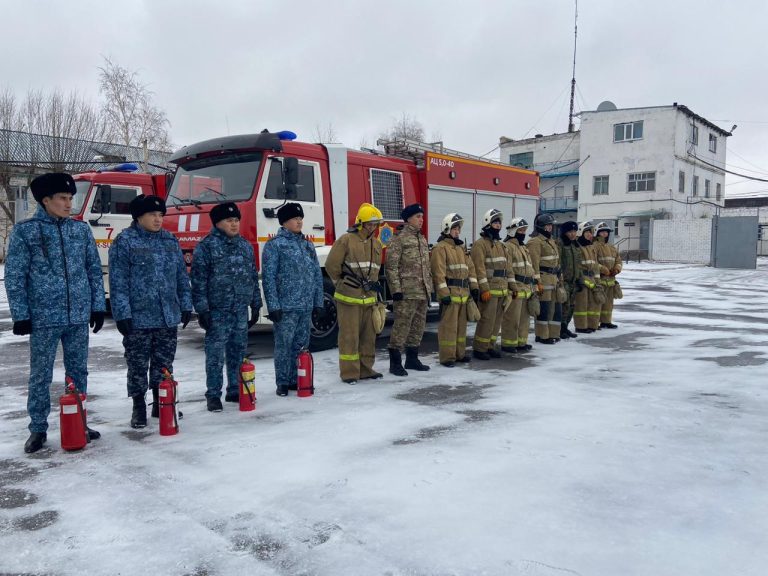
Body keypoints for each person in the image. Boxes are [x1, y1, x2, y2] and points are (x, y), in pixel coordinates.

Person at [5, 173, 106, 453]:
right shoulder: (26, 231)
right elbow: (15, 275)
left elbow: (93, 271)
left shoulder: (80, 230)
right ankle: (38, 428)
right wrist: (21, 314)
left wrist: (97, 305)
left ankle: (79, 421)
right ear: (45, 200)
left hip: (77, 317)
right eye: (62, 198)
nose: (68, 203)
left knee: (78, 372)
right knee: (41, 374)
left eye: (70, 198)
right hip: (44, 317)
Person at [108, 194, 193, 429]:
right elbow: (118, 282)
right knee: (137, 365)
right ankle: (138, 406)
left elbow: (180, 277)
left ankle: (160, 402)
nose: (158, 220)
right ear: (138, 217)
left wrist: (186, 304)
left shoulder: (169, 240)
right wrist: (122, 313)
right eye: (152, 215)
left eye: (160, 215)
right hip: (138, 317)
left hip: (167, 315)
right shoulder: (125, 241)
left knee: (164, 363)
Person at [191, 202, 262, 410]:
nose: (234, 224)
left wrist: (255, 304)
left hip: (239, 309)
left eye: (236, 220)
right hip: (217, 311)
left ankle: (234, 389)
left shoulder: (244, 246)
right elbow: (198, 281)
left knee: (238, 352)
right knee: (215, 355)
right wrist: (202, 309)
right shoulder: (206, 247)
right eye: (229, 221)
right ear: (218, 223)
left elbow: (251, 276)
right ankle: (213, 394)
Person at [262, 202, 324, 396]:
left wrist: (318, 302)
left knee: (301, 345)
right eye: (294, 219)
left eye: (300, 218)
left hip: (305, 305)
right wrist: (273, 305)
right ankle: (282, 381)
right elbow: (269, 277)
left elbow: (316, 274)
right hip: (286, 306)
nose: (299, 221)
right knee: (283, 345)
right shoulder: (275, 245)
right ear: (284, 222)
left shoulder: (307, 245)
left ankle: (298, 379)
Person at [326, 203, 384, 384]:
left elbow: (375, 269)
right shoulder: (346, 240)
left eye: (375, 224)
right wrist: (341, 283)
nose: (372, 227)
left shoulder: (376, 243)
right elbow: (331, 265)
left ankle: (366, 369)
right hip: (349, 298)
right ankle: (350, 373)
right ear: (360, 223)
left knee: (368, 336)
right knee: (349, 336)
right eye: (369, 224)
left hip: (369, 298)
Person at [385, 203, 433, 376]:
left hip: (422, 291)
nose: (421, 220)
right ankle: (395, 362)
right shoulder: (399, 238)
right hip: (406, 292)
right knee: (402, 326)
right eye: (418, 217)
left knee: (418, 327)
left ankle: (412, 359)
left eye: (422, 216)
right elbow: (391, 267)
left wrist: (429, 287)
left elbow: (425, 267)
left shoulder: (421, 238)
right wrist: (396, 290)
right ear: (408, 219)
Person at [430, 213, 477, 367]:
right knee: (449, 329)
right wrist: (443, 294)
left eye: (458, 228)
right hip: (450, 295)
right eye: (454, 228)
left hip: (463, 295)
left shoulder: (461, 248)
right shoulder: (440, 248)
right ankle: (447, 357)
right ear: (446, 228)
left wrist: (474, 288)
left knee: (461, 329)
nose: (457, 231)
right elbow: (438, 273)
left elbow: (471, 269)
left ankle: (460, 354)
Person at [471, 208, 513, 360]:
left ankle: (490, 346)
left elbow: (508, 269)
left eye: (499, 223)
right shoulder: (480, 245)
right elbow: (479, 268)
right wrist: (484, 289)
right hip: (489, 291)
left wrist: (511, 288)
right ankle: (480, 348)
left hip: (502, 290)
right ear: (488, 224)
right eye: (495, 222)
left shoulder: (501, 246)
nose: (498, 226)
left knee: (496, 322)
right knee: (487, 321)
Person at [502, 217, 536, 352]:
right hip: (516, 287)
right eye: (520, 230)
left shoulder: (523, 247)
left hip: (526, 287)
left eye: (524, 230)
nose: (523, 233)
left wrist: (533, 284)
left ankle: (521, 342)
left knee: (524, 320)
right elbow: (508, 269)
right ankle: (509, 344)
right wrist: (512, 287)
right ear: (513, 231)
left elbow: (529, 266)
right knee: (512, 319)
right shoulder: (508, 247)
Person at [527, 213, 562, 344]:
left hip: (554, 279)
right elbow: (534, 264)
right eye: (548, 226)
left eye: (551, 225)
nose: (550, 228)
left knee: (555, 309)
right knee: (544, 309)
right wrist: (537, 282)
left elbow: (557, 261)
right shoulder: (535, 242)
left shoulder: (551, 241)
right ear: (541, 227)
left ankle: (553, 333)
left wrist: (560, 277)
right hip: (544, 279)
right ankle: (542, 335)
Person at [573, 221, 602, 333]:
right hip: (582, 280)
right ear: (581, 232)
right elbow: (576, 266)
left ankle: (592, 325)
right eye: (588, 232)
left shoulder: (591, 248)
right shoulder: (577, 247)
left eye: (591, 232)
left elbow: (595, 266)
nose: (590, 234)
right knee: (581, 305)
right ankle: (581, 326)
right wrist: (579, 280)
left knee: (593, 304)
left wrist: (597, 281)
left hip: (592, 279)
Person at [594, 221, 623, 329]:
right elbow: (593, 262)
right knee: (598, 302)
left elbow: (618, 261)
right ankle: (594, 323)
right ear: (597, 233)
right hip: (600, 280)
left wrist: (617, 269)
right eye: (602, 232)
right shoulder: (595, 246)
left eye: (606, 232)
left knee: (608, 304)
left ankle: (606, 321)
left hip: (611, 281)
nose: (605, 234)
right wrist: (603, 269)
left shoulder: (612, 248)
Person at [557, 221, 583, 339]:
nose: (573, 234)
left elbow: (579, 264)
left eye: (574, 231)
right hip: (564, 280)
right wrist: (560, 279)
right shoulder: (560, 244)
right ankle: (560, 329)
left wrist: (580, 279)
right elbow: (558, 263)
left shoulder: (575, 245)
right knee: (564, 306)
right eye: (570, 232)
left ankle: (565, 327)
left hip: (574, 281)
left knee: (571, 306)